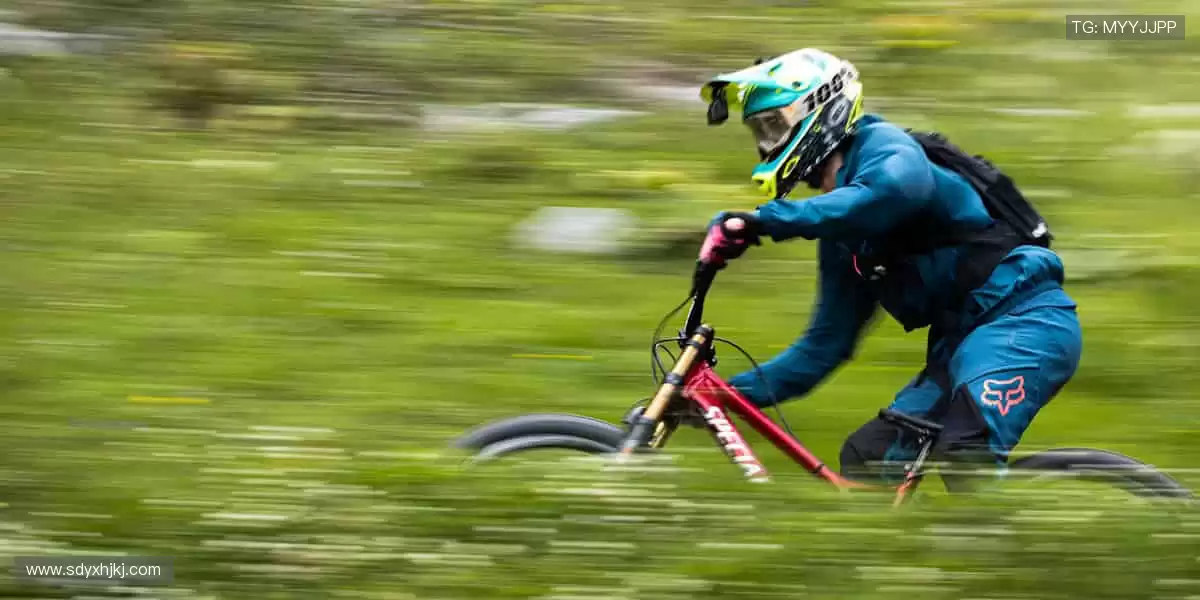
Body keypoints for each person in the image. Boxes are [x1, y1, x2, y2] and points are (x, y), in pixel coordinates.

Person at [696, 48, 1083, 488]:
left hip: (1024, 325)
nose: (767, 142)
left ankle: (1016, 553)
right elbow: (821, 349)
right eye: (760, 131)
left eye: (774, 125)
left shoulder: (886, 148)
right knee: (871, 458)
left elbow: (893, 190)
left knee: (963, 455)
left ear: (819, 109)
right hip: (957, 347)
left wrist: (767, 220)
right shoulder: (845, 238)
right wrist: (717, 396)